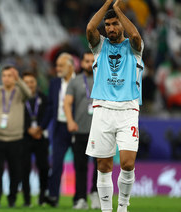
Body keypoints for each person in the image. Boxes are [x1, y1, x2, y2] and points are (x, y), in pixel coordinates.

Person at [85, 0, 144, 212]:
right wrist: (109, 3)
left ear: (122, 25)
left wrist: (119, 9)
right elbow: (91, 28)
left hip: (128, 110)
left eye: (115, 23)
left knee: (127, 163)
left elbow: (136, 36)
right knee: (103, 166)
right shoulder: (99, 46)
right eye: (108, 24)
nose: (110, 28)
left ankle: (122, 207)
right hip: (102, 109)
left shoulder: (135, 47)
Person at [0, 66, 32, 208]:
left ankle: (12, 199)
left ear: (15, 78)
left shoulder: (19, 92)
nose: (7, 78)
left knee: (15, 171)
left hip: (16, 138)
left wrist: (19, 80)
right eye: (5, 75)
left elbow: (29, 94)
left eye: (10, 75)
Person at [63, 51, 100, 210]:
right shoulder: (75, 82)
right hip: (79, 131)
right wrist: (70, 121)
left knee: (100, 166)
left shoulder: (102, 80)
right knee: (80, 167)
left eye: (92, 61)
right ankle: (80, 198)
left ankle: (96, 194)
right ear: (82, 63)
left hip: (99, 131)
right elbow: (67, 103)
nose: (89, 63)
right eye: (86, 60)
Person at [40, 53, 75, 207]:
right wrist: (42, 127)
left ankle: (80, 198)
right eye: (57, 65)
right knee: (56, 163)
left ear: (70, 66)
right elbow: (49, 107)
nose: (57, 69)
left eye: (61, 66)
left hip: (77, 127)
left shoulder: (81, 81)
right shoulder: (54, 83)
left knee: (81, 165)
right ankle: (53, 196)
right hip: (59, 127)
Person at [21, 72, 49, 207]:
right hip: (24, 137)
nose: (29, 85)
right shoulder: (18, 99)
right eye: (25, 82)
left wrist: (40, 129)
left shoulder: (44, 98)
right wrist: (28, 129)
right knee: (24, 169)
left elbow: (49, 114)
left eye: (31, 81)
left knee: (43, 168)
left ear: (36, 83)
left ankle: (42, 198)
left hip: (40, 136)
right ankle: (27, 200)